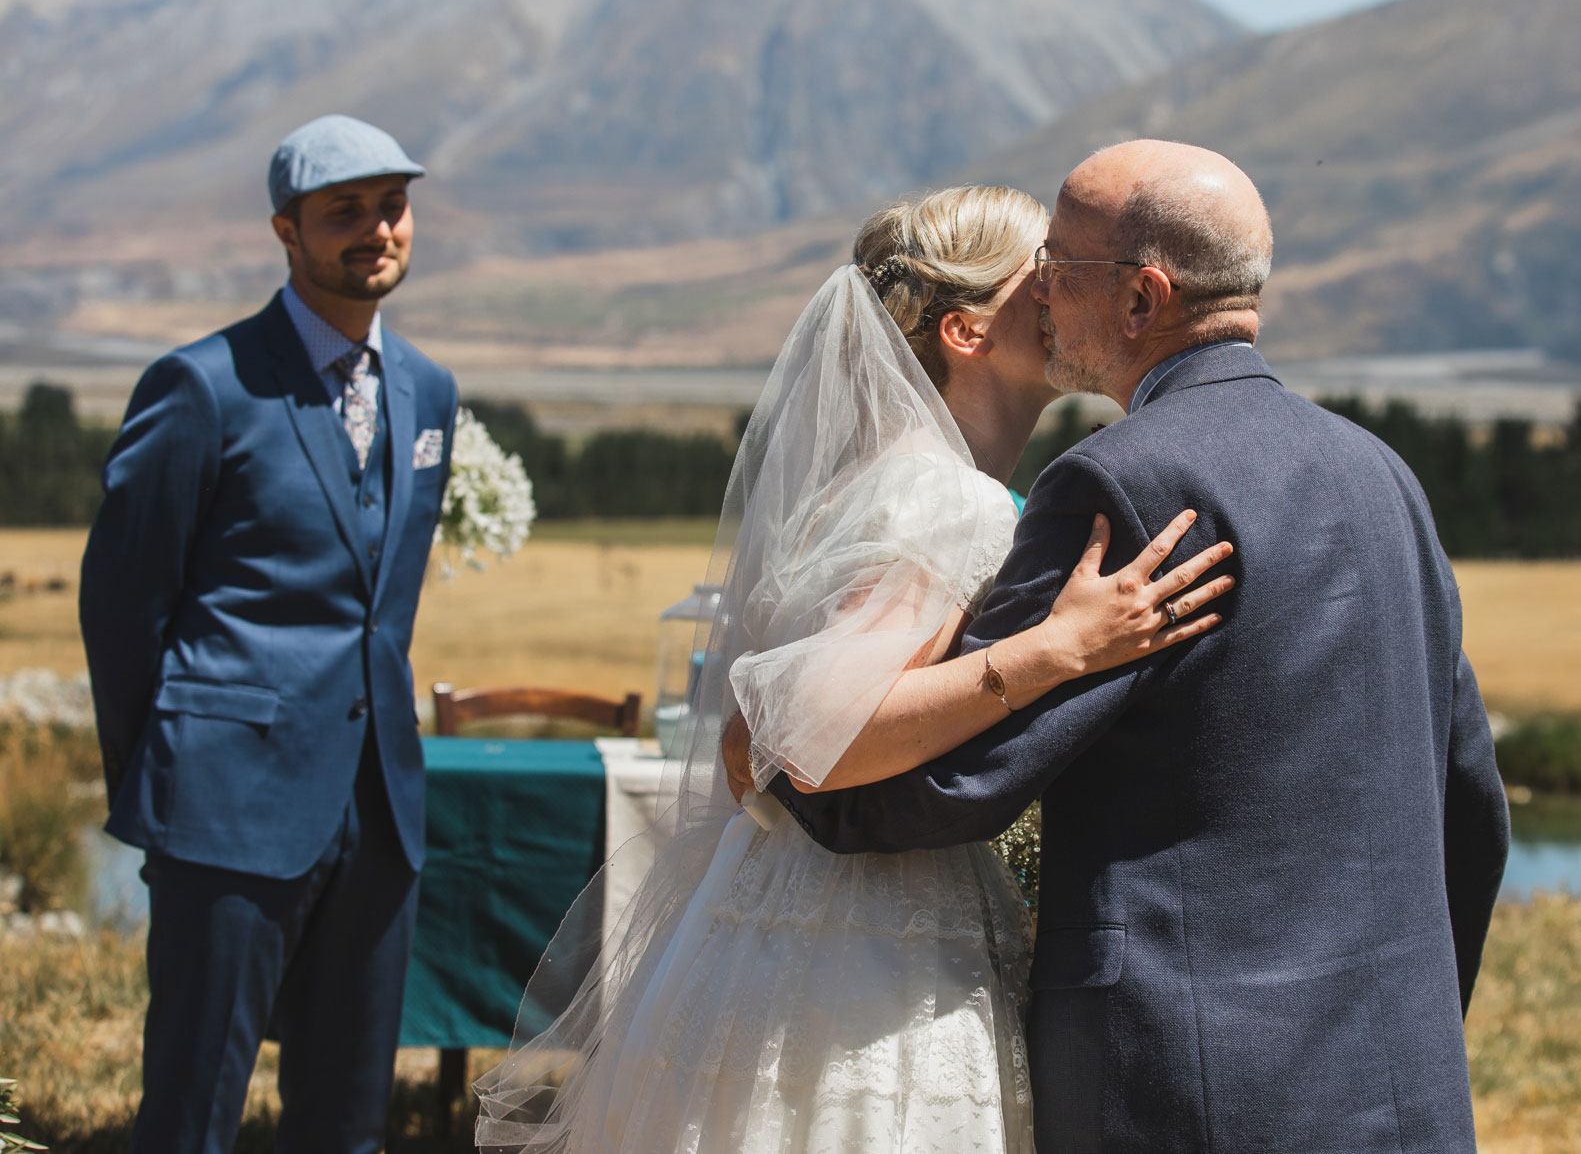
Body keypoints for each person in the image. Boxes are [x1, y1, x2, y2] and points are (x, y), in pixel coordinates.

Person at [764, 140, 1512, 1153]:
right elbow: (1469, 796)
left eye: (1056, 270)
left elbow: (962, 775)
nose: (1040, 295)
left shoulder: (1120, 485)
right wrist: (1411, 1009)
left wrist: (794, 761)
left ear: (1137, 299)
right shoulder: (1383, 475)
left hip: (1185, 1077)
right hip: (1395, 1073)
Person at [476, 184, 1234, 1153]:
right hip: (860, 953)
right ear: (963, 330)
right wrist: (1056, 651)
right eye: (1038, 276)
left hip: (782, 916)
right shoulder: (944, 499)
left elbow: (754, 737)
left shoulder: (885, 477)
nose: (1061, 292)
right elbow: (817, 743)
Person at [78, 115, 459, 1154]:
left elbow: (387, 604)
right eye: (345, 212)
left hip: (376, 808)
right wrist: (162, 774)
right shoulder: (202, 386)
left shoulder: (429, 391)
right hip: (224, 804)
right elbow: (121, 604)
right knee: (194, 1111)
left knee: (347, 1120)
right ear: (285, 231)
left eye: (391, 207)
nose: (376, 231)